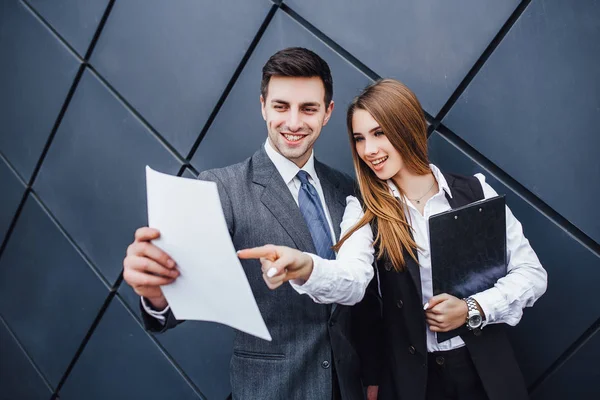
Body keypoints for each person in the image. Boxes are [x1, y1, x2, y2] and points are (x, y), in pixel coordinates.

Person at [240, 79, 547, 400]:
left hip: (486, 373)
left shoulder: (475, 192)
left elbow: (532, 275)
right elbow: (351, 279)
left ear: (407, 127)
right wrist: (307, 268)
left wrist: (474, 308)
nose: (368, 150)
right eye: (359, 139)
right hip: (415, 381)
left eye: (379, 133)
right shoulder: (364, 209)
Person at [122, 47, 377, 400]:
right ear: (263, 107)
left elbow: (358, 299)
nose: (293, 122)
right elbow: (179, 297)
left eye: (308, 108)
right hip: (269, 390)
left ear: (327, 113)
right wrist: (156, 292)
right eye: (280, 106)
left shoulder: (347, 190)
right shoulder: (220, 187)